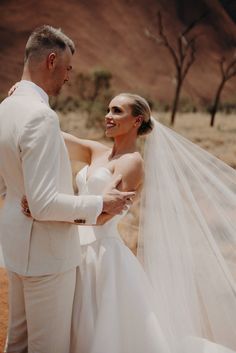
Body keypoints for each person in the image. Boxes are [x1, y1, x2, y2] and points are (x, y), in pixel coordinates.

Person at [22, 92, 236, 353]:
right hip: (73, 248)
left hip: (101, 257)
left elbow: (102, 217)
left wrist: (45, 211)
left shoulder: (133, 163)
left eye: (117, 111)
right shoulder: (96, 151)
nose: (108, 116)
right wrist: (28, 101)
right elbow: (52, 135)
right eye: (108, 110)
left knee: (98, 328)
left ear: (137, 121)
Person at [0, 26, 134, 353]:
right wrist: (100, 202)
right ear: (51, 61)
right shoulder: (41, 117)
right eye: (68, 68)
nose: (69, 77)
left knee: (17, 342)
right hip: (47, 257)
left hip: (16, 250)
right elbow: (44, 205)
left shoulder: (6, 109)